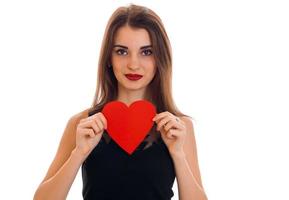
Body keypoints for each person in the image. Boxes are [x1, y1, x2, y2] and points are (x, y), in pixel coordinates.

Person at [34, 3, 208, 200]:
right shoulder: (82, 124)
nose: (133, 64)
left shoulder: (178, 127)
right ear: (109, 57)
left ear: (160, 58)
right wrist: (79, 152)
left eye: (146, 52)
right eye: (122, 51)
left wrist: (178, 154)